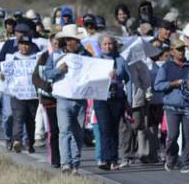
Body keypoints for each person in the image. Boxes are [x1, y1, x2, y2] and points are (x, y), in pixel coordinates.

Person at [44, 24, 90, 174]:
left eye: (77, 40)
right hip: (63, 99)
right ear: (66, 41)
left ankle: (75, 163)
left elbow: (94, 71)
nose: (76, 43)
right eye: (73, 40)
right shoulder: (55, 56)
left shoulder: (85, 55)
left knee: (78, 132)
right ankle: (65, 163)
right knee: (64, 131)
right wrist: (58, 71)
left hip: (80, 99)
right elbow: (46, 74)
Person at [154, 41, 189, 172]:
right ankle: (171, 158)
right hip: (171, 107)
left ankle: (185, 162)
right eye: (178, 49)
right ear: (172, 51)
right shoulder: (166, 67)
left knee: (188, 136)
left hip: (188, 106)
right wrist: (172, 84)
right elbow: (157, 86)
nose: (181, 51)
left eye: (183, 49)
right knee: (173, 135)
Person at [94, 35, 131, 171]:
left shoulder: (120, 60)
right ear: (100, 46)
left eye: (110, 44)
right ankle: (105, 159)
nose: (108, 47)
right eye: (105, 44)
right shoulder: (96, 60)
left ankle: (114, 160)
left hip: (117, 97)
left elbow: (128, 79)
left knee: (114, 129)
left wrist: (129, 100)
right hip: (102, 98)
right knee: (105, 129)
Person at [6, 35, 41, 154]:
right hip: (17, 95)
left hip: (32, 95)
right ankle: (17, 140)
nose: (24, 47)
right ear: (18, 45)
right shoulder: (12, 58)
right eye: (22, 44)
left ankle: (30, 143)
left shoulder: (36, 58)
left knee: (31, 121)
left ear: (31, 45)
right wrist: (2, 74)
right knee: (18, 118)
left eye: (27, 44)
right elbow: (6, 73)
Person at [32, 35, 62, 168]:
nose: (57, 46)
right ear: (50, 43)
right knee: (54, 130)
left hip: (64, 98)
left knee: (64, 130)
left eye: (59, 44)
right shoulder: (44, 57)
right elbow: (35, 77)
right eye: (55, 43)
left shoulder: (66, 56)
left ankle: (66, 157)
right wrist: (46, 86)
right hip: (49, 99)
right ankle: (55, 158)